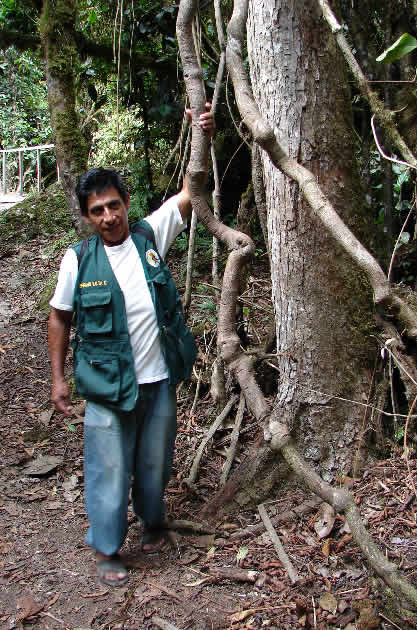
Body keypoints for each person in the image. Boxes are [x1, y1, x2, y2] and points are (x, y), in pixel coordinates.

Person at [48, 105, 214, 587]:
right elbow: (59, 318)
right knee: (108, 466)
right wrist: (58, 378)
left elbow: (190, 193)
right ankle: (106, 548)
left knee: (155, 460)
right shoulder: (77, 261)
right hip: (106, 385)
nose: (108, 216)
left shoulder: (149, 235)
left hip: (158, 379)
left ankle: (153, 523)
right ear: (86, 216)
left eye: (114, 205)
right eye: (97, 210)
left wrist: (199, 131)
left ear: (126, 201)